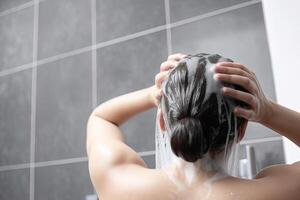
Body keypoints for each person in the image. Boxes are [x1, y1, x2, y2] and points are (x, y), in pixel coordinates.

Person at [86, 53, 300, 200]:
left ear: (162, 122)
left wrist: (154, 94)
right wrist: (268, 111)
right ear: (241, 132)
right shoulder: (278, 193)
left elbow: (101, 118)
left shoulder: (119, 182)